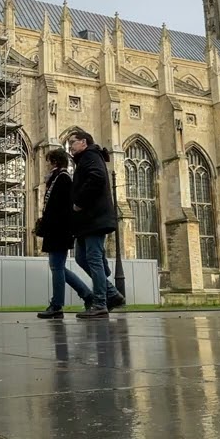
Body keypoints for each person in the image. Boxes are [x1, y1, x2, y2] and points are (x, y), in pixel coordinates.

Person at [67, 130, 124, 319]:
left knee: (93, 260)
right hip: (86, 222)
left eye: (72, 142)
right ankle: (112, 293)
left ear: (83, 142)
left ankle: (100, 303)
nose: (70, 146)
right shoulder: (84, 158)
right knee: (81, 258)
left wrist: (80, 201)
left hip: (94, 219)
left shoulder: (91, 155)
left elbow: (97, 178)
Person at [36, 147, 96, 318]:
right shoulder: (55, 179)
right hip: (55, 230)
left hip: (59, 231)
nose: (46, 165)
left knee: (56, 267)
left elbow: (63, 209)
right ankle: (87, 295)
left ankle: (57, 305)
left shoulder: (63, 179)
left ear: (54, 162)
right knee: (58, 267)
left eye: (48, 162)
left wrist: (48, 223)